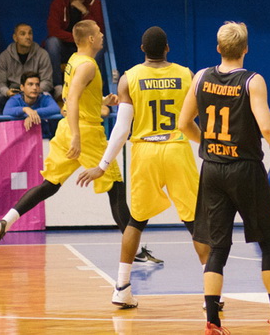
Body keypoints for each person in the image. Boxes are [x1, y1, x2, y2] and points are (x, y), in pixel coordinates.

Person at [180, 22, 270, 335]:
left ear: (219, 49)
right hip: (246, 170)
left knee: (217, 247)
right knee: (269, 244)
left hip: (212, 169)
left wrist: (209, 145)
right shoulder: (252, 81)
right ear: (246, 49)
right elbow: (266, 128)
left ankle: (213, 323)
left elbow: (184, 123)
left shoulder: (201, 77)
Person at [76, 26, 208, 310]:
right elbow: (192, 121)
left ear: (142, 49)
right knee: (196, 222)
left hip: (145, 150)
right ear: (168, 49)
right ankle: (213, 292)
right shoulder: (186, 74)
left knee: (136, 221)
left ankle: (122, 287)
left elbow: (122, 129)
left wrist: (103, 164)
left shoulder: (129, 78)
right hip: (176, 149)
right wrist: (207, 143)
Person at [0, 20, 133, 257]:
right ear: (91, 39)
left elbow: (77, 97)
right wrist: (76, 136)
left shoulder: (74, 60)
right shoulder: (88, 66)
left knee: (49, 185)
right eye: (99, 32)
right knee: (116, 187)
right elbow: (71, 101)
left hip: (68, 129)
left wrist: (101, 102)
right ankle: (133, 249)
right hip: (85, 132)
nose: (102, 35)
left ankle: (4, 223)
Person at [45, 0, 105, 89]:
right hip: (64, 47)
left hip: (85, 48)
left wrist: (85, 12)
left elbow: (98, 31)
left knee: (102, 41)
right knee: (52, 42)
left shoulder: (94, 4)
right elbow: (53, 31)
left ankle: (90, 82)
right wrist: (77, 38)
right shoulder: (58, 3)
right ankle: (58, 86)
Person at [0, 23, 54, 114]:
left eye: (30, 33)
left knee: (48, 96)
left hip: (35, 94)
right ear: (15, 38)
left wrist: (31, 92)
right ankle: (2, 128)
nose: (28, 37)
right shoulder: (4, 56)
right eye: (23, 34)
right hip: (12, 96)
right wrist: (7, 92)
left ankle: (43, 128)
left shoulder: (42, 54)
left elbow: (47, 81)